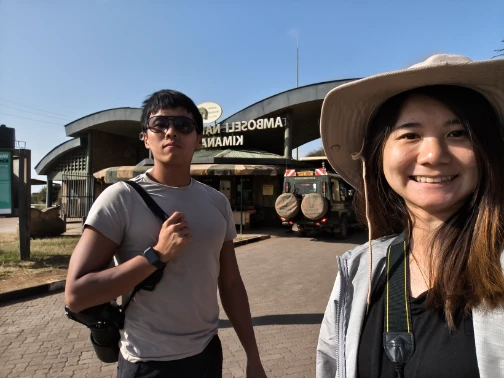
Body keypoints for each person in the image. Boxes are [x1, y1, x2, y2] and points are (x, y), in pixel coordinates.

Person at [316, 55, 504, 378]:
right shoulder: (359, 271)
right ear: (380, 154)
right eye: (410, 135)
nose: (433, 156)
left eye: (458, 133)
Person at [65, 89, 267, 378]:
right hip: (146, 362)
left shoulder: (217, 202)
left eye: (184, 126)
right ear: (146, 137)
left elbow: (232, 284)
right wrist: (156, 255)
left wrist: (253, 357)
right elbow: (76, 295)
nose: (171, 132)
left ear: (199, 139)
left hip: (207, 354)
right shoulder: (120, 198)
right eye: (160, 125)